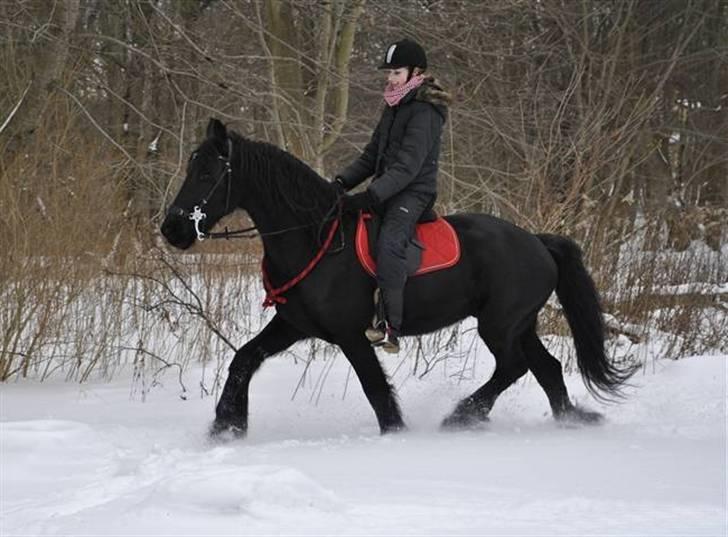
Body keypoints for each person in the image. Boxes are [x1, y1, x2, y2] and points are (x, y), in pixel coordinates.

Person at [335, 38, 452, 353]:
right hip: (389, 188)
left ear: (415, 72)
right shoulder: (394, 106)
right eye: (389, 73)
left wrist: (372, 194)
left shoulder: (425, 111)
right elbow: (372, 156)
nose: (390, 78)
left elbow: (408, 166)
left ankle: (390, 326)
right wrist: (341, 182)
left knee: (389, 241)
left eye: (396, 72)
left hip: (414, 192)